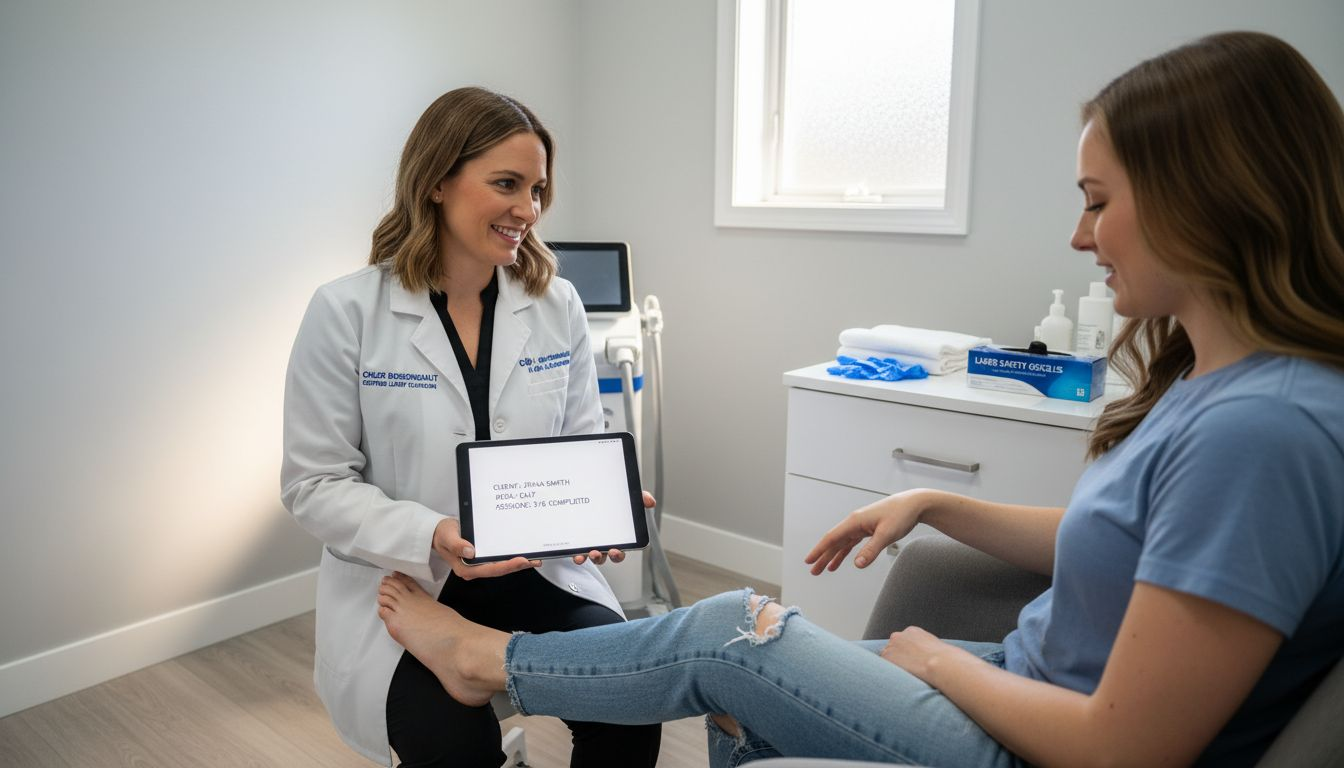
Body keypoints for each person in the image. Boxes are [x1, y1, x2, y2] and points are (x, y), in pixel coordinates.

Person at [372, 32, 1344, 768]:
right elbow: (1134, 543)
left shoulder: (1265, 430)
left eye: (1097, 199)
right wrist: (937, 503)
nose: (1081, 236)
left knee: (735, 629)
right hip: (1020, 671)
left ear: (1206, 199)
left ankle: (490, 662)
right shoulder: (1217, 386)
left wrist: (938, 663)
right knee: (737, 693)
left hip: (1034, 731)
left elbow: (1126, 748)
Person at [281, 86, 660, 767]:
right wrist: (432, 534)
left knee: (628, 698)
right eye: (507, 184)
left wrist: (599, 504)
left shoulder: (555, 302)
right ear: (435, 181)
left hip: (534, 568)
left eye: (538, 188)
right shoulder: (346, 312)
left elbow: (577, 441)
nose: (529, 210)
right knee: (453, 742)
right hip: (409, 580)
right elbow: (313, 484)